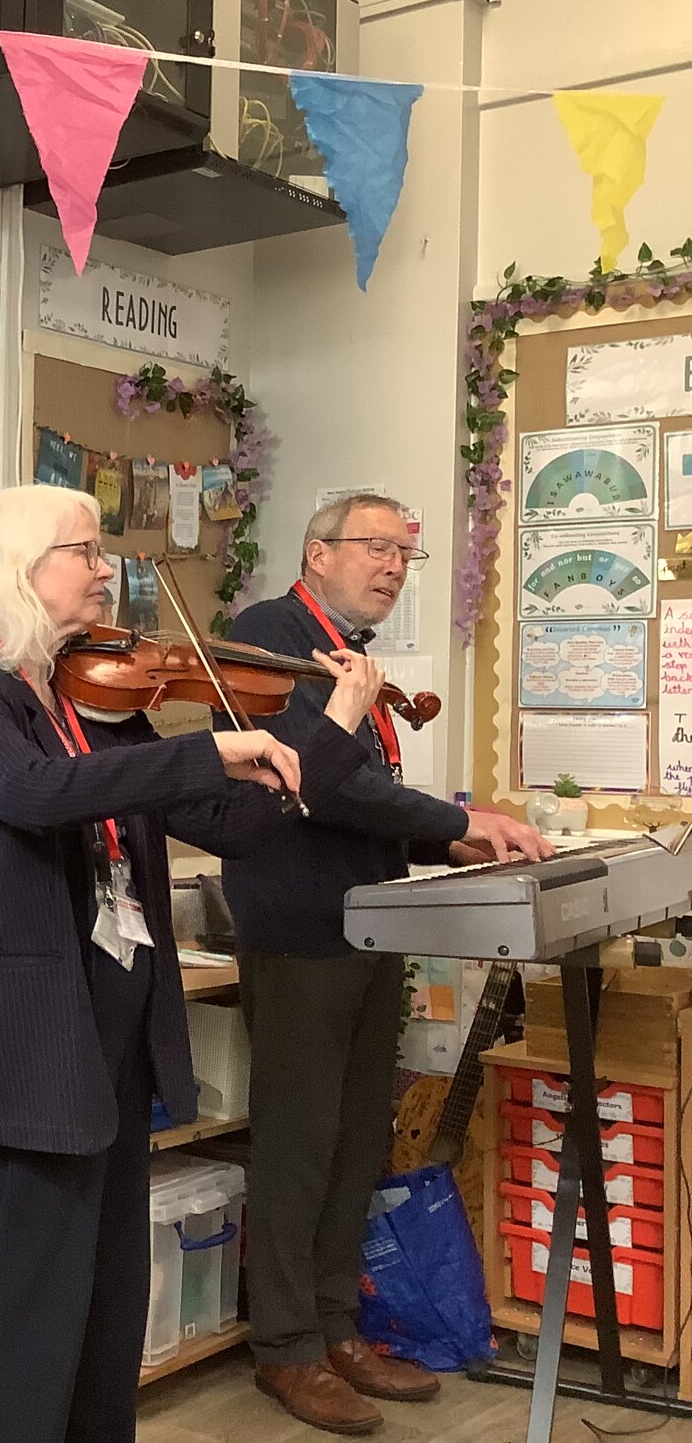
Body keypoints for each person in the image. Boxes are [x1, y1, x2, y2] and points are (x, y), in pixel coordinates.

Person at [0, 484, 384, 1443]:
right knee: (36, 1305)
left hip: (120, 1034)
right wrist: (208, 750)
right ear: (22, 570)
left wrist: (332, 730)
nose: (105, 572)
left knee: (109, 1300)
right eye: (84, 553)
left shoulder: (102, 699)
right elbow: (37, 791)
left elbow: (233, 823)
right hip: (43, 1039)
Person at [223, 493, 552, 1435]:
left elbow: (365, 799)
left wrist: (448, 847)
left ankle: (336, 1327)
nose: (395, 568)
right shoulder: (270, 634)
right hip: (299, 928)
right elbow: (319, 783)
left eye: (406, 555)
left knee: (359, 1135)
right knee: (298, 1142)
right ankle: (284, 1346)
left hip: (365, 926)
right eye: (378, 548)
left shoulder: (351, 655)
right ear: (316, 551)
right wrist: (453, 824)